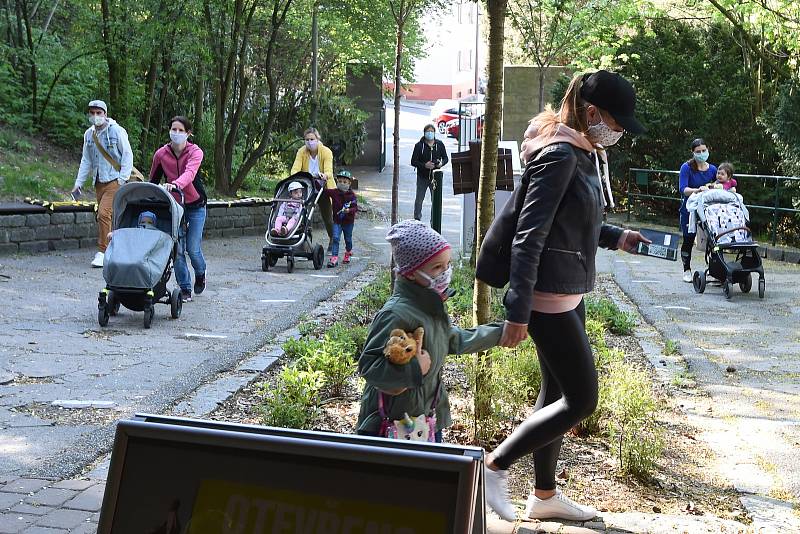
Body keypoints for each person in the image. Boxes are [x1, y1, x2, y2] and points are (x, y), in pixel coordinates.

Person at [475, 70, 650, 522]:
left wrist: (616, 236)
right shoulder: (560, 154)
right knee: (581, 398)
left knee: (555, 389)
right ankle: (491, 468)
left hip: (565, 286)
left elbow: (570, 224)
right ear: (592, 113)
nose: (619, 132)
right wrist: (517, 310)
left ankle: (544, 497)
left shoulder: (581, 149)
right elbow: (529, 236)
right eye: (617, 122)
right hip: (546, 294)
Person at [356, 220, 503, 442]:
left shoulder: (428, 308)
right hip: (390, 428)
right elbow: (369, 366)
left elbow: (454, 339)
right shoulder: (396, 313)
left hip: (427, 422)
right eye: (437, 267)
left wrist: (501, 332)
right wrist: (415, 368)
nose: (445, 273)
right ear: (412, 272)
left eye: (447, 265)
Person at [149, 116, 206, 302]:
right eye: (174, 129)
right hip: (174, 206)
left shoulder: (195, 152)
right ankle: (185, 289)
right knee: (178, 250)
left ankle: (200, 272)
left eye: (181, 130)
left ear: (188, 134)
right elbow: (153, 181)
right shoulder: (161, 154)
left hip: (196, 204)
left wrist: (175, 184)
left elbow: (190, 174)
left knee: (193, 248)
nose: (177, 133)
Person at [72, 99, 133, 268]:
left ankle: (103, 251)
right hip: (99, 180)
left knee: (103, 214)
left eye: (99, 113)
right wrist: (79, 183)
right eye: (92, 113)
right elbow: (86, 160)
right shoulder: (89, 134)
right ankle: (116, 249)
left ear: (105, 114)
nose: (95, 116)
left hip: (114, 179)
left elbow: (127, 154)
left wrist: (122, 179)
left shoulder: (116, 131)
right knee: (108, 217)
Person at [678, 138, 718, 282]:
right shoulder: (686, 168)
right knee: (688, 239)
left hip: (708, 210)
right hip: (690, 209)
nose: (701, 154)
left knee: (714, 240)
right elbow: (683, 189)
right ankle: (686, 269)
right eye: (698, 151)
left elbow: (720, 184)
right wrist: (697, 190)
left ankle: (714, 270)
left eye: (704, 151)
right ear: (693, 153)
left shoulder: (713, 169)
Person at [291, 128, 335, 251]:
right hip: (308, 187)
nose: (310, 142)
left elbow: (329, 170)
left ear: (317, 139)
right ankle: (306, 242)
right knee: (305, 214)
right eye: (307, 139)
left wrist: (325, 175)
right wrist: (296, 176)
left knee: (328, 217)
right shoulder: (301, 152)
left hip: (323, 187)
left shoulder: (326, 152)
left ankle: (333, 240)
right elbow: (295, 168)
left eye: (312, 139)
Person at [410, 124, 449, 222]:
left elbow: (446, 158)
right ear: (424, 133)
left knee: (436, 200)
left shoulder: (439, 144)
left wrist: (441, 163)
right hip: (422, 177)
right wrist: (424, 165)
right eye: (428, 131)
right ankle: (417, 219)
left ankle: (434, 220)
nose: (430, 133)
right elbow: (413, 161)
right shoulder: (419, 146)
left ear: (435, 133)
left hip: (435, 178)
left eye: (432, 131)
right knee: (419, 199)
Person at [324, 170, 358, 267]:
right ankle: (334, 257)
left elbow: (355, 207)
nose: (342, 184)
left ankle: (348, 252)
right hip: (337, 221)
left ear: (349, 183)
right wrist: (320, 182)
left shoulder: (352, 196)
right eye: (340, 181)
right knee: (335, 238)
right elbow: (324, 191)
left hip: (348, 222)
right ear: (337, 181)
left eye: (344, 182)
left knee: (348, 239)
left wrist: (349, 211)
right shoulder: (334, 192)